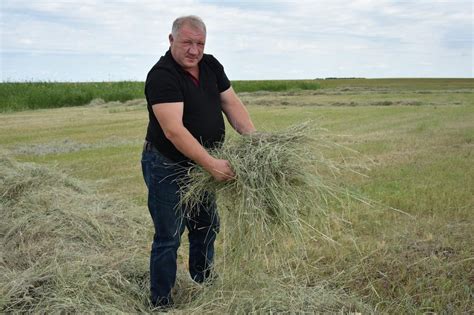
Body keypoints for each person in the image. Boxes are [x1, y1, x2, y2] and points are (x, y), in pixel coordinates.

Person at [141, 15, 256, 308]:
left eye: (200, 43)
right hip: (166, 165)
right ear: (171, 40)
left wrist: (255, 141)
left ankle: (202, 283)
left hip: (200, 166)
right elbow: (174, 131)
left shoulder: (211, 65)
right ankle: (161, 302)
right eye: (187, 42)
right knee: (169, 234)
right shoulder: (162, 76)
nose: (194, 50)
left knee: (206, 225)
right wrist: (212, 164)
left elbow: (230, 103)